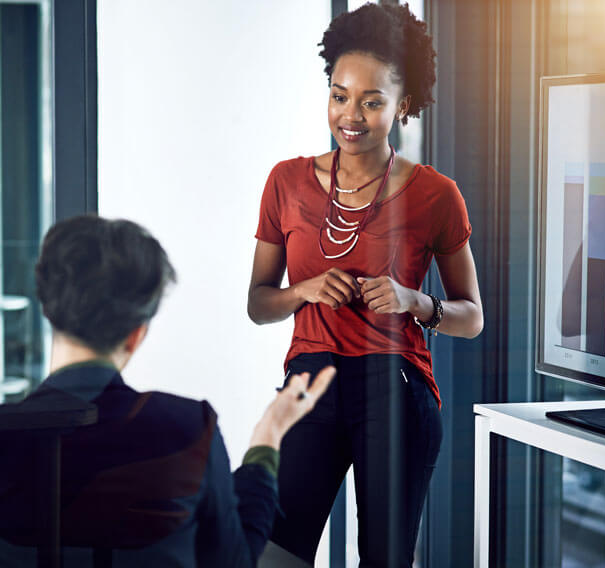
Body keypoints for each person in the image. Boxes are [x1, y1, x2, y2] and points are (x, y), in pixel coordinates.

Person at [0, 214, 335, 567]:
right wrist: (266, 444)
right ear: (137, 334)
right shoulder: (187, 427)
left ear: (47, 309)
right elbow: (233, 559)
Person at [247, 3, 483, 566]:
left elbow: (472, 316)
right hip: (309, 385)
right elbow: (258, 304)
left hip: (396, 387)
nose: (350, 115)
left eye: (372, 102)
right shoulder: (285, 181)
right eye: (339, 95)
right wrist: (302, 291)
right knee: (274, 556)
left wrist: (415, 301)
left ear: (403, 106)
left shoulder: (436, 194)